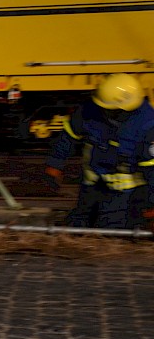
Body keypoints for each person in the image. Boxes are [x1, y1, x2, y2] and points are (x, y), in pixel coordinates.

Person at [43, 73, 154, 229]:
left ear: (123, 108)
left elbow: (152, 170)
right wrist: (55, 164)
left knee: (110, 230)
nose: (103, 111)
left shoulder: (147, 125)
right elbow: (68, 136)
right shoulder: (90, 110)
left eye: (108, 109)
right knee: (78, 224)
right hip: (92, 186)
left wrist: (152, 205)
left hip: (126, 196)